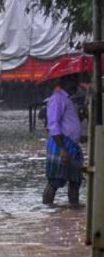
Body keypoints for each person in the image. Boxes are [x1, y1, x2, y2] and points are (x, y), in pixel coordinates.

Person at [43, 74, 84, 206]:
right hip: (60, 144)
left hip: (71, 144)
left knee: (75, 180)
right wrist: (62, 149)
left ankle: (74, 209)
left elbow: (68, 122)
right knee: (55, 181)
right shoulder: (57, 99)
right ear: (64, 82)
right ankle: (47, 209)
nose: (76, 85)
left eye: (76, 81)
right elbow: (53, 125)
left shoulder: (68, 100)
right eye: (73, 81)